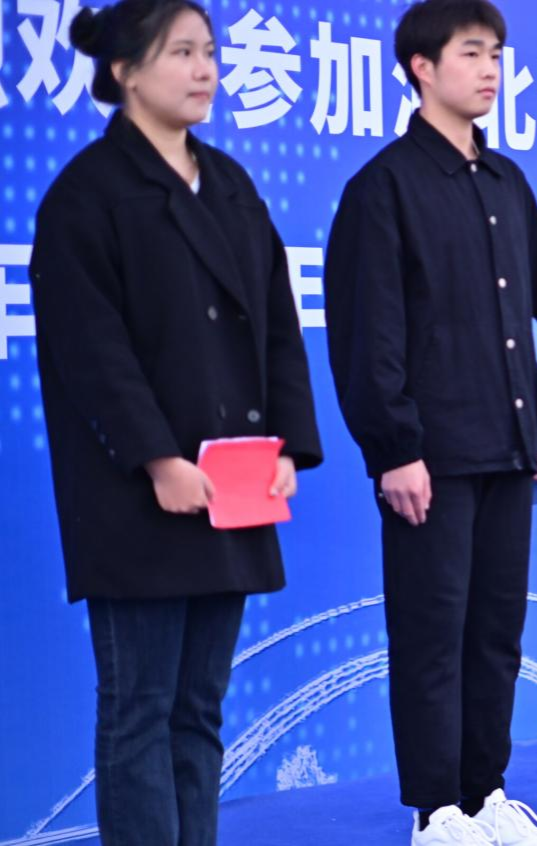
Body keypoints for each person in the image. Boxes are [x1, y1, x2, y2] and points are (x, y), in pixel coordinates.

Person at [28, 1, 323, 843]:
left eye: (210, 52)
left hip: (231, 487)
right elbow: (92, 352)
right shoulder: (87, 195)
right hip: (136, 497)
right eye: (181, 53)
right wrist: (158, 459)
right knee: (140, 708)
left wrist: (288, 448)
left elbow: (277, 323)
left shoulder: (229, 183)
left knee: (200, 707)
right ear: (125, 72)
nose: (206, 70)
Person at [323, 1, 537, 844]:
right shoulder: (384, 188)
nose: (491, 70)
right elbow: (369, 333)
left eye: (497, 55)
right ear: (421, 67)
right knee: (431, 635)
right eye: (471, 53)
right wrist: (393, 449)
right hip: (430, 458)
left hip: (512, 452)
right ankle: (436, 810)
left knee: (496, 634)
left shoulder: (508, 183)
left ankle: (486, 794)